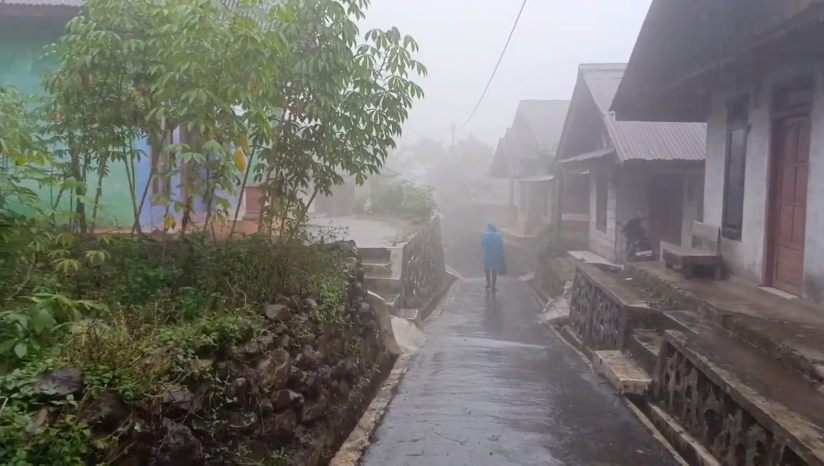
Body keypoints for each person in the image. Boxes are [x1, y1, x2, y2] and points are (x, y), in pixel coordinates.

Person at [481, 223, 504, 291]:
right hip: (495, 255)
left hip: (487, 255)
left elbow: (482, 243)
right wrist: (501, 254)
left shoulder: (485, 234)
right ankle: (493, 286)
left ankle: (488, 284)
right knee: (494, 270)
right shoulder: (498, 235)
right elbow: (501, 246)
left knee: (487, 270)